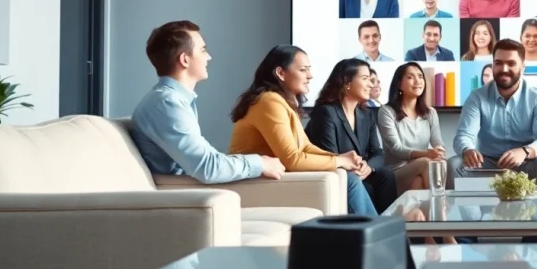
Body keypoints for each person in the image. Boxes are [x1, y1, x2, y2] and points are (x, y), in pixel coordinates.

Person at [227, 45, 377, 215]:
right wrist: (340, 162)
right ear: (281, 73)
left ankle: (374, 234)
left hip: (273, 177)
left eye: (309, 69)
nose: (310, 75)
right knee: (348, 180)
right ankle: (376, 236)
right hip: (256, 182)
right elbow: (292, 159)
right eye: (303, 70)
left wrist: (341, 158)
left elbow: (305, 147)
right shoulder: (269, 101)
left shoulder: (283, 103)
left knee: (346, 175)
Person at [130, 20, 286, 184]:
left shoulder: (171, 101)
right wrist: (259, 163)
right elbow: (208, 168)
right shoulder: (167, 104)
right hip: (181, 193)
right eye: (203, 50)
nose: (209, 57)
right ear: (184, 60)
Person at [451, 39, 537, 189]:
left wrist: (524, 152)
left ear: (523, 67)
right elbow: (463, 136)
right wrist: (467, 149)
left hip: (524, 163)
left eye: (511, 63)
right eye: (499, 63)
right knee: (454, 165)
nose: (504, 69)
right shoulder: (477, 97)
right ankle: (467, 213)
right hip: (485, 164)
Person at [305, 59, 398, 213]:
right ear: (347, 82)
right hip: (340, 173)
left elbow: (378, 153)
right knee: (363, 185)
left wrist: (369, 167)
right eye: (365, 79)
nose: (371, 84)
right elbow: (329, 157)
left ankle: (388, 225)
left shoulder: (366, 114)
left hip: (358, 172)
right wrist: (356, 168)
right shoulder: (326, 113)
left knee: (385, 175)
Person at [377, 62, 447, 193]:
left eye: (420, 76)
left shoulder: (430, 112)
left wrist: (439, 150)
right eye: (410, 77)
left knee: (420, 181)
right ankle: (441, 207)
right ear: (399, 84)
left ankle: (425, 212)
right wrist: (426, 154)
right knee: (426, 163)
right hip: (397, 170)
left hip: (422, 169)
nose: (418, 81)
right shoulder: (386, 111)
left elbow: (437, 141)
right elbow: (396, 149)